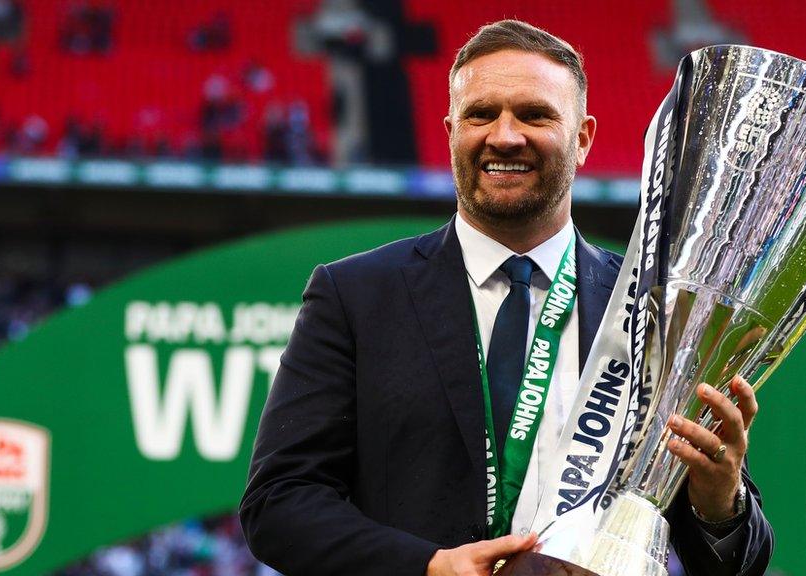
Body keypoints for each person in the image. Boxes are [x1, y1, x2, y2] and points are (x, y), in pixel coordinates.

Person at [240, 19, 773, 576]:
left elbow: (740, 558)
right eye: (481, 114)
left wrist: (720, 504)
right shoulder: (355, 297)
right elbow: (278, 503)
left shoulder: (654, 310)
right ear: (451, 131)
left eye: (535, 114)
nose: (505, 135)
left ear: (584, 137)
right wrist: (428, 567)